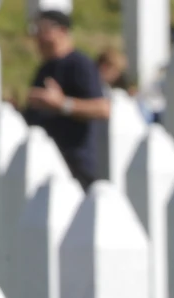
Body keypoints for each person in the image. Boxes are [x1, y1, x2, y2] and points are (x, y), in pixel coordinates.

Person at [22, 10, 109, 189]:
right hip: (46, 163)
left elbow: (103, 109)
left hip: (76, 165)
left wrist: (63, 104)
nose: (37, 37)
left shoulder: (79, 64)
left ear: (61, 30)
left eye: (42, 30)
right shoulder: (45, 68)